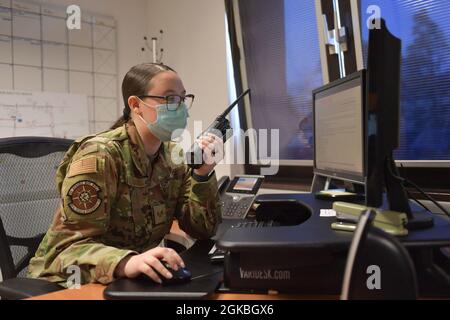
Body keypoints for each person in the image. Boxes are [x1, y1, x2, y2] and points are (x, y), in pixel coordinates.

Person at [27, 63, 222, 287]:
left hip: (128, 281)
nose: (181, 109)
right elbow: (68, 249)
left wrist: (203, 175)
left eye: (182, 98)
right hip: (69, 282)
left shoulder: (174, 157)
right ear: (136, 105)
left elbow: (203, 230)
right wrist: (126, 262)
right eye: (170, 99)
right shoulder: (100, 156)